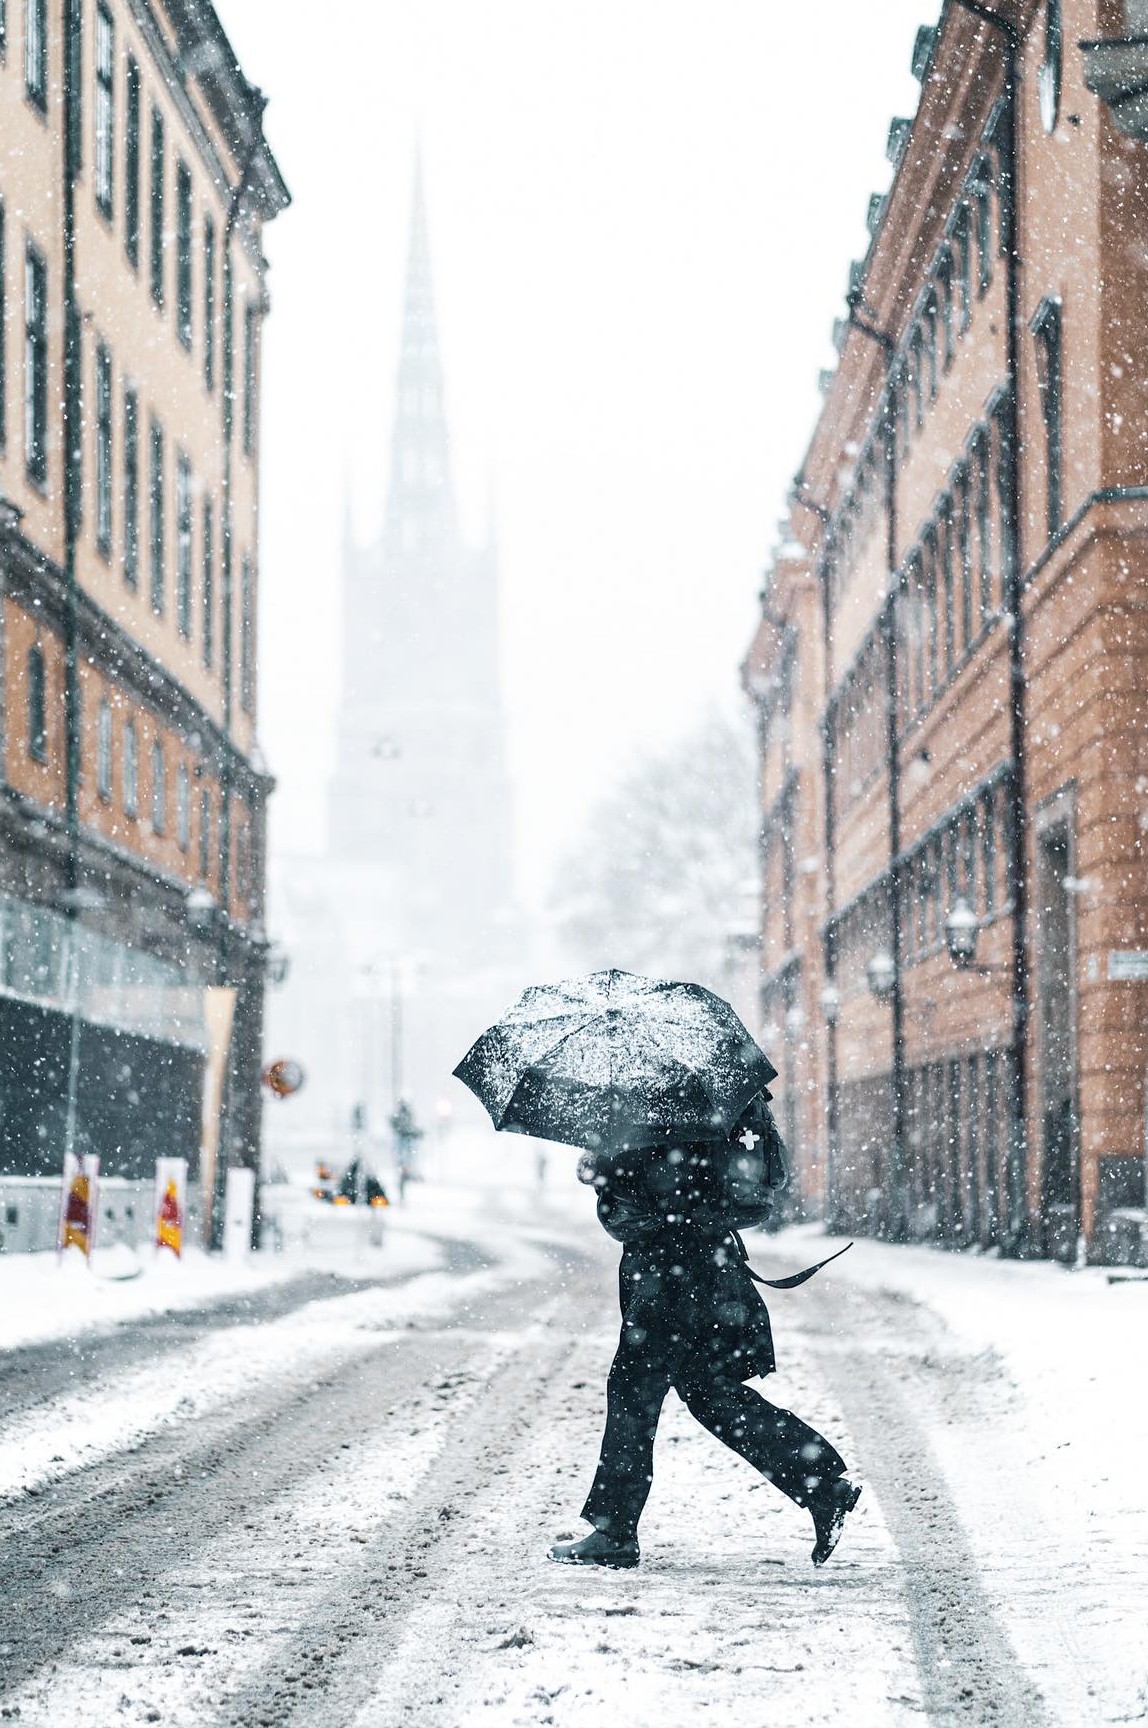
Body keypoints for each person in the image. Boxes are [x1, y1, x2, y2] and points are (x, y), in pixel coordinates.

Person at [550, 1091, 860, 1570]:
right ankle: (822, 1486)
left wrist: (600, 1162)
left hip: (668, 1272)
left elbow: (639, 1195)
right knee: (710, 1390)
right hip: (709, 1264)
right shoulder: (715, 1097)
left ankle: (614, 1531)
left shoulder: (650, 1100)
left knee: (634, 1391)